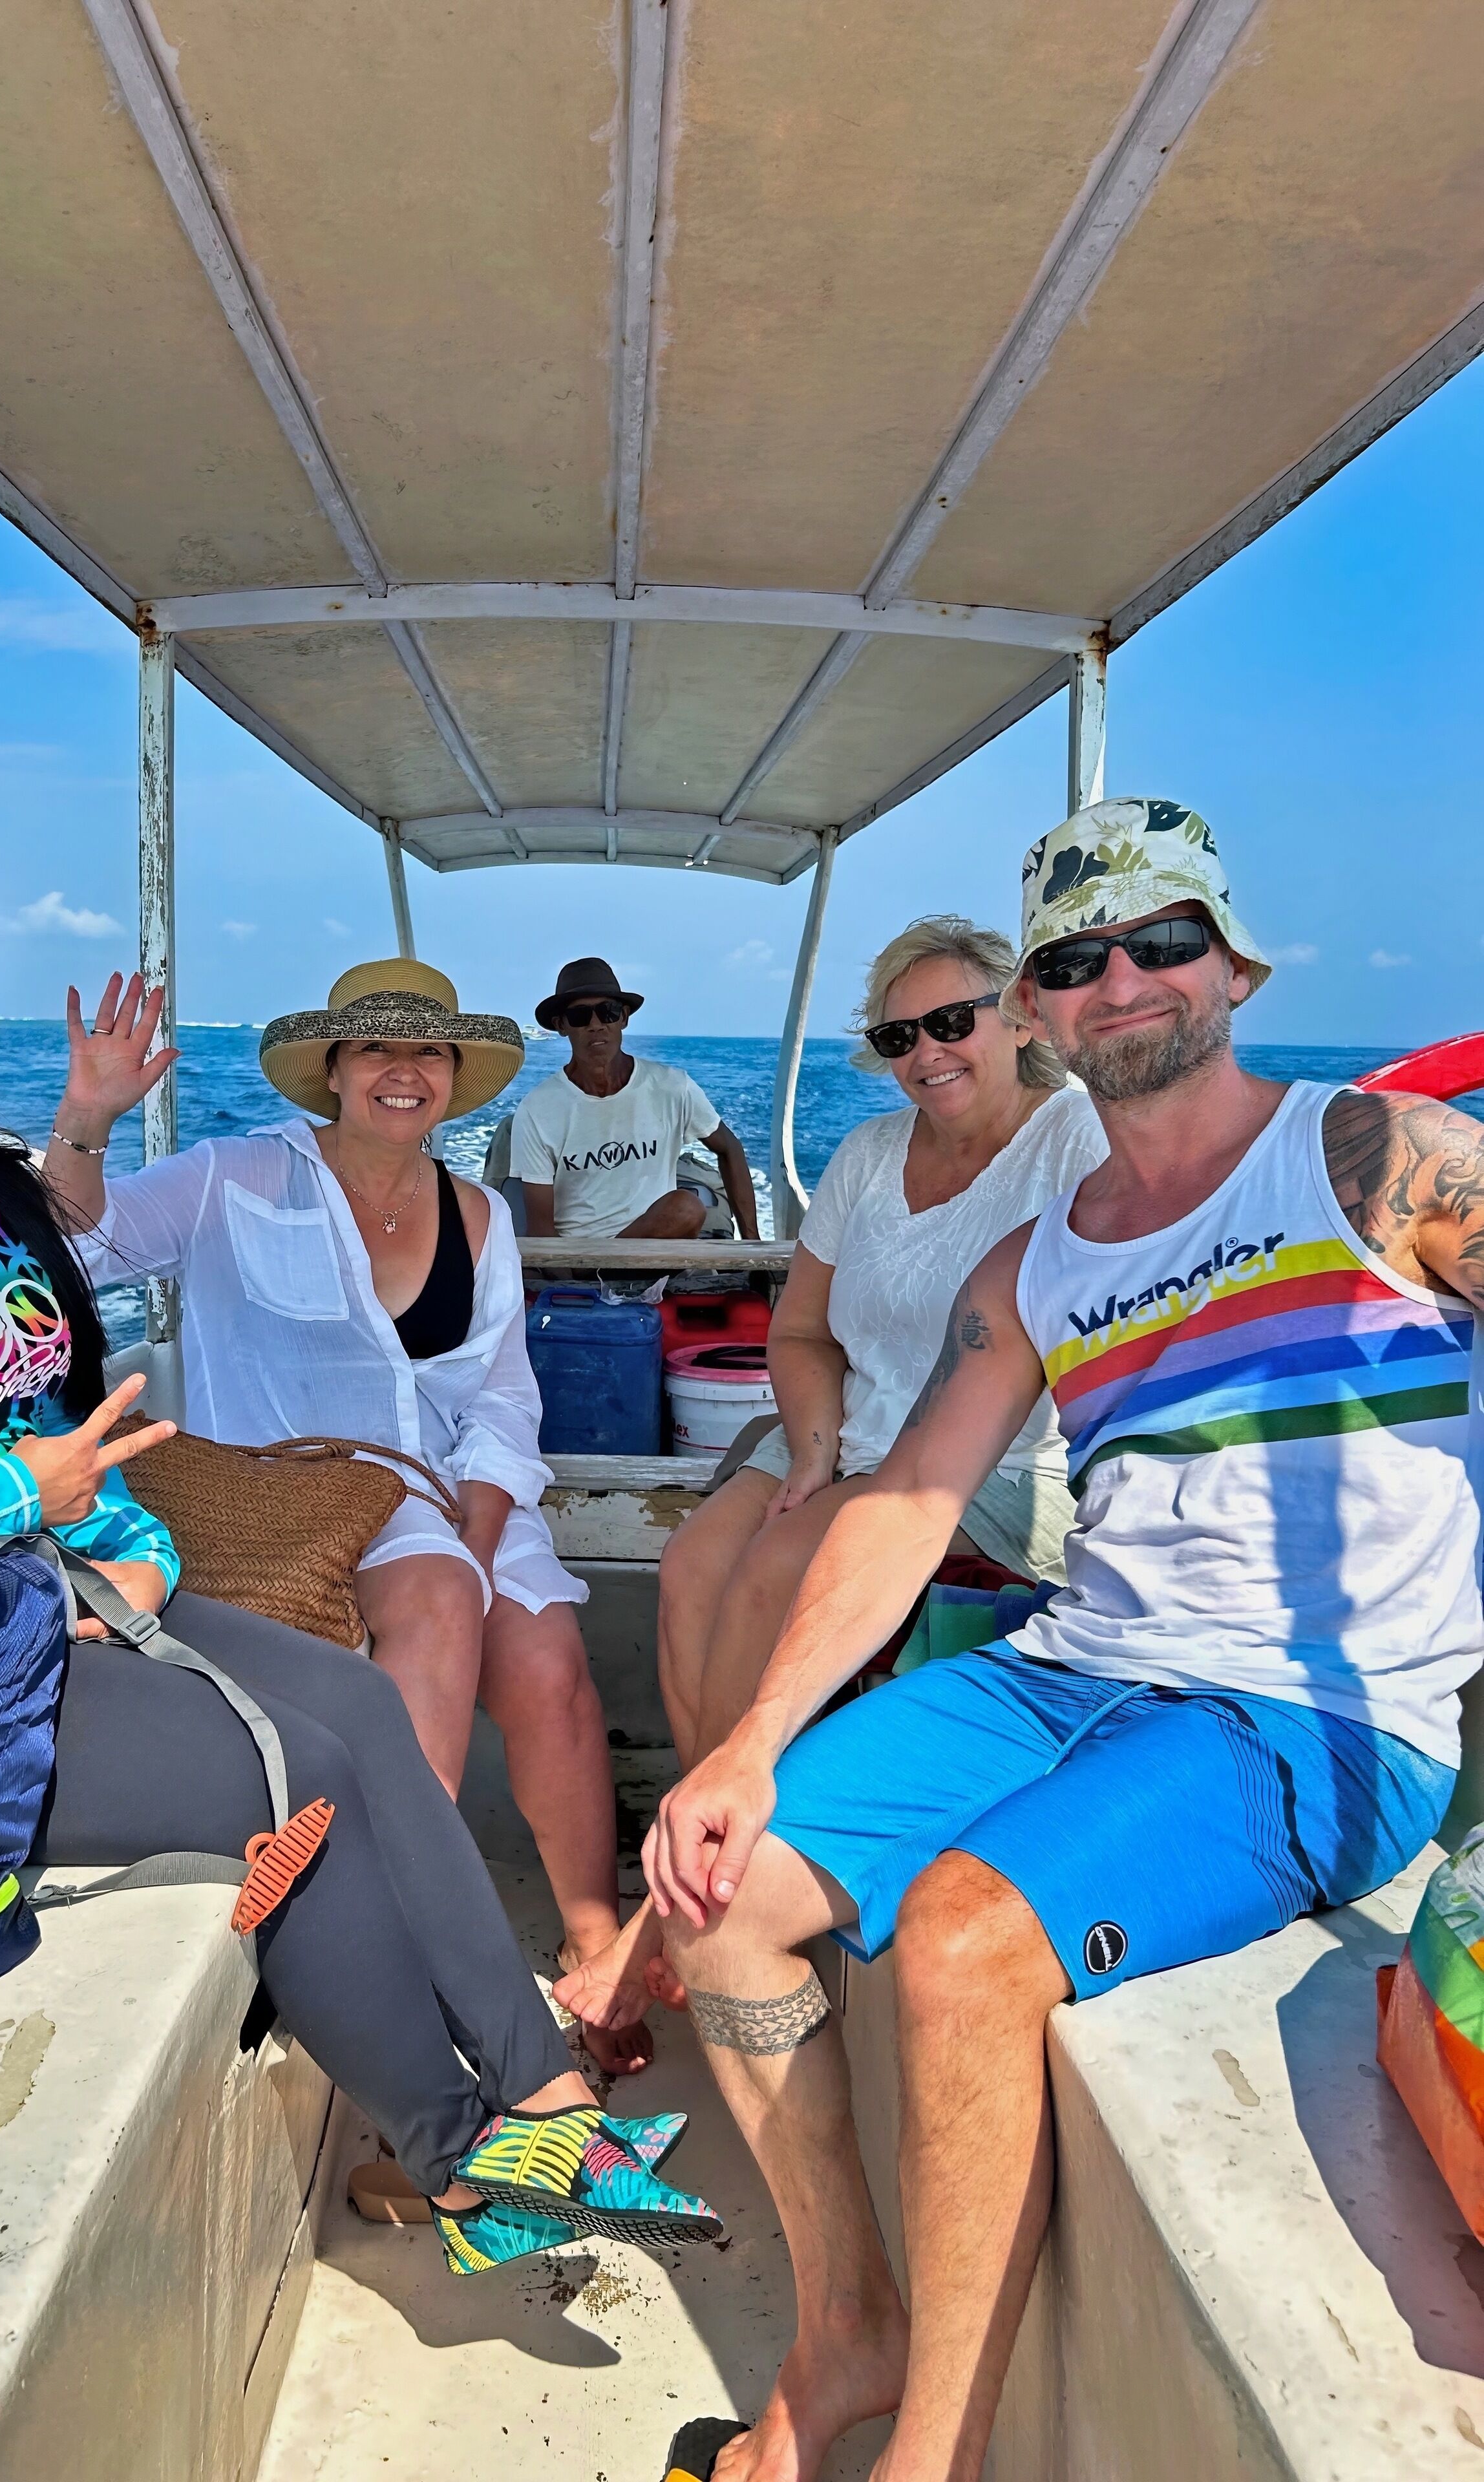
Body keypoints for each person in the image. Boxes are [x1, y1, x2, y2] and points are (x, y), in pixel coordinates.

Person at [0, 806, 718, 2276]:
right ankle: (480, 2149)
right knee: (309, 1768)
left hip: (45, 1601)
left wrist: (129, 1539)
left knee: (355, 1713)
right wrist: (8, 1499)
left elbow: (62, 1413)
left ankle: (535, 2099)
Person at [643, 797, 1483, 2481]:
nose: (1123, 980)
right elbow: (903, 1503)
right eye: (1076, 957)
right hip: (1075, 1669)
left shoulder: (1373, 1161)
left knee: (959, 1942)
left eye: (1163, 940)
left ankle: (923, 2463)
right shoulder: (1044, 1261)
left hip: (1309, 1720)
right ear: (1035, 1005)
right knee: (714, 1891)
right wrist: (745, 1747)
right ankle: (849, 2328)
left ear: (1235, 963)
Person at [43, 956, 655, 2075]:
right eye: (376, 1048)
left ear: (456, 1077)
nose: (404, 1071)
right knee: (432, 1615)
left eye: (428, 1051)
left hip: (454, 1490)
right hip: (286, 1497)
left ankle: (594, 1940)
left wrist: (475, 1533)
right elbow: (83, 1247)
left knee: (549, 1663)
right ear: (331, 1070)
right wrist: (87, 1118)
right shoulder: (233, 1176)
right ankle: (392, 1932)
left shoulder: (477, 1214)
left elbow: (502, 1396)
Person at [555, 915, 1107, 2042]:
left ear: (1017, 1020)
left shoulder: (1076, 1144)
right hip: (841, 1432)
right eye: (902, 1034)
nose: (927, 1053)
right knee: (694, 1565)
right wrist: (809, 1447)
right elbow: (802, 1333)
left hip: (999, 1459)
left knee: (768, 1574)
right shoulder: (867, 1157)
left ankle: (683, 1908)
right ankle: (704, 1864)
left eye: (953, 1022)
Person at [512, 957, 759, 1241]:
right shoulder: (537, 1110)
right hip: (579, 1262)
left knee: (685, 1209)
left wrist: (753, 1246)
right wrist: (571, 1280)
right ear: (561, 1025)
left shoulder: (672, 1087)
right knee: (685, 1209)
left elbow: (730, 1147)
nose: (596, 1025)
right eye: (580, 1016)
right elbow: (541, 1230)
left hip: (654, 1252)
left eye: (608, 1012)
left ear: (624, 1018)